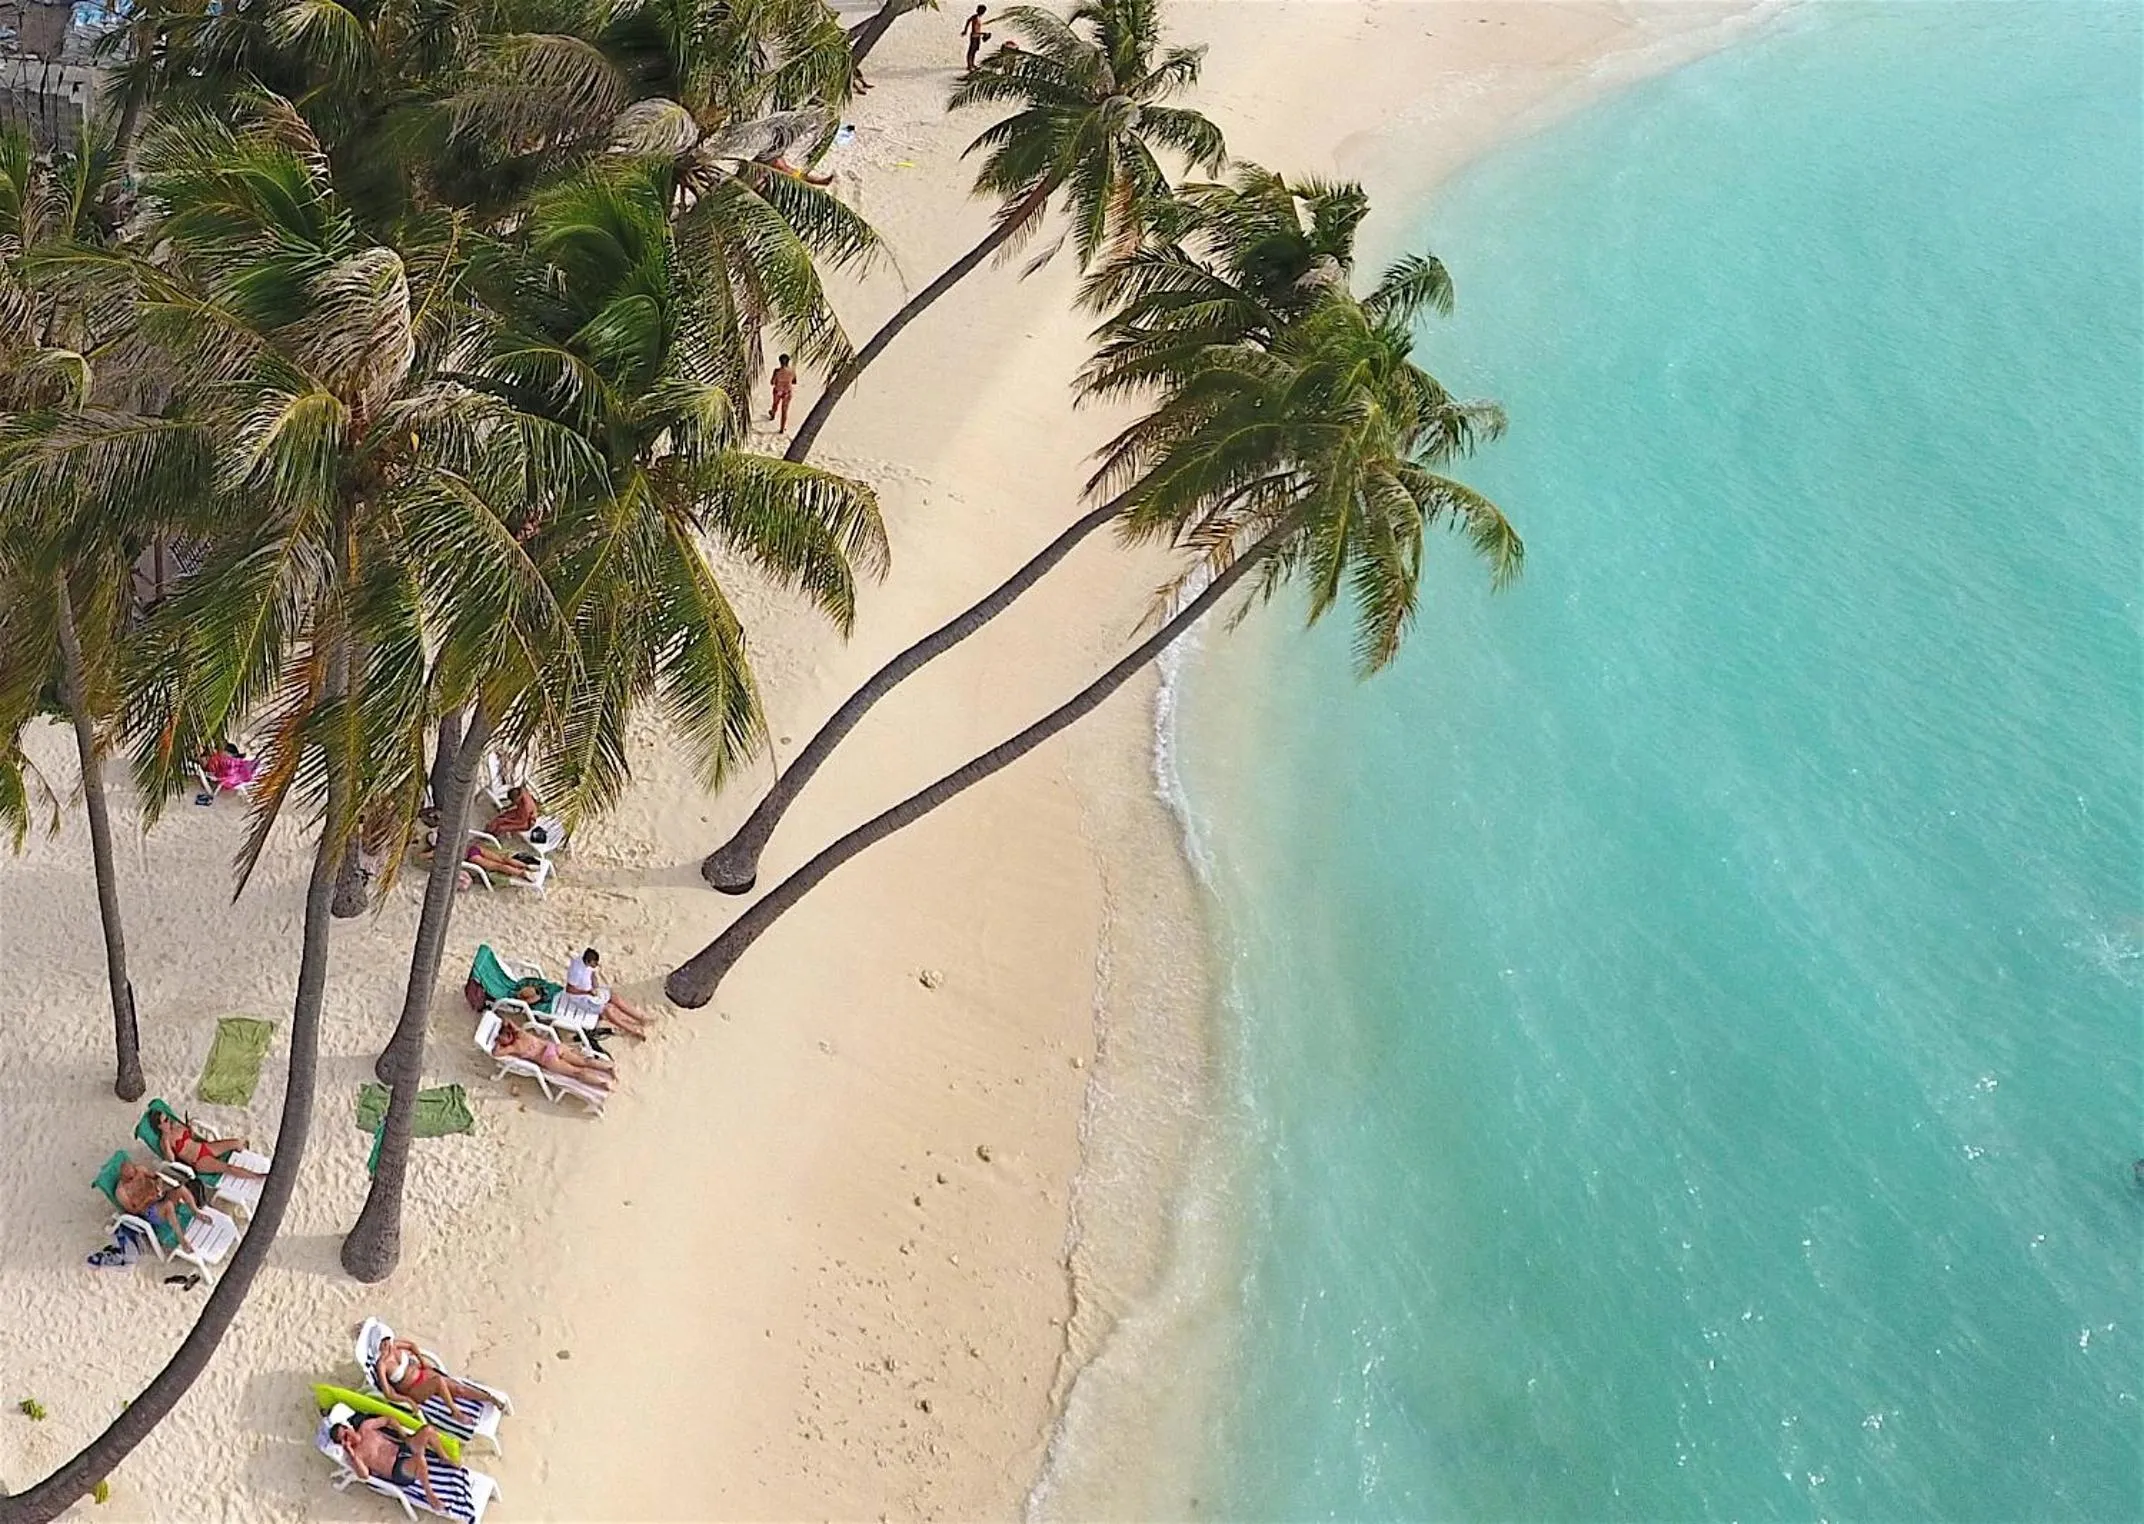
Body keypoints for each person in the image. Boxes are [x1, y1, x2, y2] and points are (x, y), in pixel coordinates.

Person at [328, 1413, 456, 1515]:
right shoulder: (357, 1455)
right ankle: (430, 1495)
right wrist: (351, 1453)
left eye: (346, 1434)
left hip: (402, 1449)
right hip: (398, 1469)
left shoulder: (366, 1427)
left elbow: (389, 1419)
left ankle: (444, 1457)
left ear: (348, 1428)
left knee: (428, 1430)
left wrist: (402, 1434)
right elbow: (364, 1475)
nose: (348, 1438)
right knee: (419, 1460)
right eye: (344, 1440)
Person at [372, 1336, 494, 1423]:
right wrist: (407, 1400)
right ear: (378, 1347)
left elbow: (411, 1345)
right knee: (438, 1381)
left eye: (387, 1340)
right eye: (383, 1344)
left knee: (459, 1389)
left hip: (423, 1373)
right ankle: (455, 1412)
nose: (387, 1344)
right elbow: (388, 1393)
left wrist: (422, 1360)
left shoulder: (395, 1346)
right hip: (413, 1390)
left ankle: (489, 1398)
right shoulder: (382, 1365)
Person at [490, 1016, 617, 1091]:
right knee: (583, 1062)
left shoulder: (513, 1047)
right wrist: (505, 1028)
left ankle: (603, 1083)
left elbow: (496, 1052)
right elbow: (507, 1020)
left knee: (576, 1072)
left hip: (548, 1058)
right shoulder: (519, 1033)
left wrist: (499, 1042)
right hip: (553, 1047)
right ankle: (608, 1067)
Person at [565, 946, 653, 1038]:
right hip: (580, 998)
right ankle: (633, 1030)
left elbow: (592, 974)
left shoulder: (586, 962)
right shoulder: (576, 972)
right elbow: (570, 990)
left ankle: (641, 1018)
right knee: (608, 1010)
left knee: (615, 998)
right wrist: (587, 992)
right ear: (588, 961)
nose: (596, 965)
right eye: (594, 963)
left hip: (591, 991)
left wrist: (595, 985)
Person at [151, 1111, 267, 1180]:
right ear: (159, 1126)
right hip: (199, 1161)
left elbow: (192, 1136)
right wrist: (166, 1138)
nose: (168, 1120)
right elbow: (171, 1159)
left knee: (237, 1142)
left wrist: (189, 1126)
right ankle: (257, 1176)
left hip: (204, 1147)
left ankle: (251, 1158)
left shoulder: (176, 1126)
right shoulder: (164, 1141)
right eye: (165, 1120)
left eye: (167, 1117)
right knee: (228, 1168)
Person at [111, 1158, 195, 1244]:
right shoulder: (121, 1192)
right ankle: (181, 1239)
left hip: (158, 1195)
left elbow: (156, 1176)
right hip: (149, 1211)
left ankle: (196, 1211)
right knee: (168, 1205)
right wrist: (147, 1200)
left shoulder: (140, 1170)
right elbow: (133, 1211)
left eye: (135, 1173)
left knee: (179, 1188)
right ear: (123, 1177)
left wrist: (159, 1183)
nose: (134, 1179)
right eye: (130, 1178)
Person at [769, 353, 798, 432]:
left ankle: (772, 414)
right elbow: (794, 382)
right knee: (784, 410)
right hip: (787, 392)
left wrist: (779, 381)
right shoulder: (792, 371)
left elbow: (772, 382)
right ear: (788, 362)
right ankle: (782, 428)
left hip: (778, 390)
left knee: (775, 404)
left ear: (780, 362)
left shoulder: (777, 371)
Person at [963, 4, 988, 72]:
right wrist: (983, 33)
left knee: (974, 51)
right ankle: (969, 65)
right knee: (971, 51)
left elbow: (968, 21)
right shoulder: (975, 17)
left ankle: (972, 64)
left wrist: (965, 30)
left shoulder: (977, 17)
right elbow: (974, 29)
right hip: (974, 36)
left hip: (977, 36)